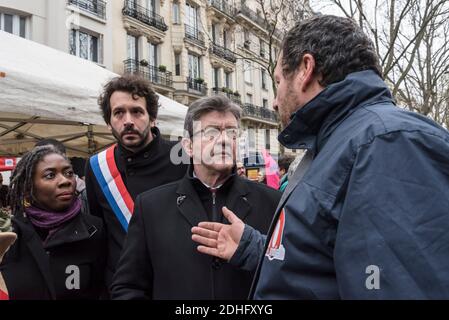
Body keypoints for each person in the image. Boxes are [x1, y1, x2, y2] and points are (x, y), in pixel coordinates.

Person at [191, 15, 449, 299]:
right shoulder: (339, 145)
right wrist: (254, 248)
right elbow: (324, 264)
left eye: (277, 80)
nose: (275, 101)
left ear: (305, 69)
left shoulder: (388, 141)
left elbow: (398, 284)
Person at [110, 96, 280, 299]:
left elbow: (288, 275)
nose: (224, 140)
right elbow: (128, 287)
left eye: (232, 133)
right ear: (188, 146)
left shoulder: (273, 202)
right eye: (211, 132)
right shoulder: (151, 207)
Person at [84, 75, 187, 289]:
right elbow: (100, 232)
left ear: (152, 117)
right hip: (124, 286)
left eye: (137, 111)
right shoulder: (96, 166)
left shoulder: (184, 157)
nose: (128, 120)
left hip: (176, 282)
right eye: (118, 112)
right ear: (108, 121)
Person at [0, 146, 106, 299]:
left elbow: (101, 289)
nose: (65, 181)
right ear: (29, 186)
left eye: (69, 173)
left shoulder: (94, 229)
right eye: (50, 175)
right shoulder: (9, 236)